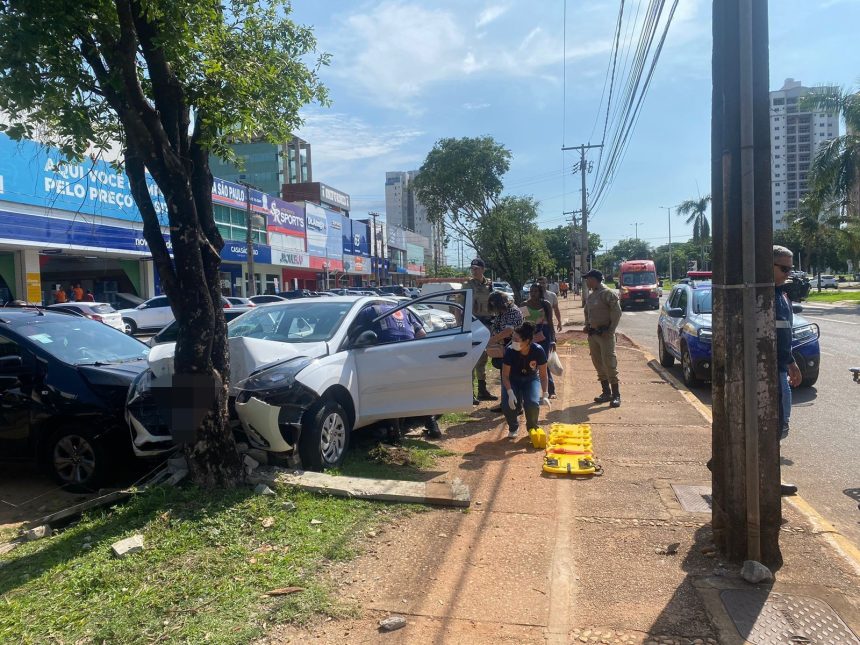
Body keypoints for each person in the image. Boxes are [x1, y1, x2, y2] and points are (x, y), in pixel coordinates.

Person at [354, 301, 443, 439]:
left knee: (391, 393)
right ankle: (432, 425)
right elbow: (422, 334)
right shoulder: (404, 310)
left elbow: (356, 336)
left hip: (386, 355)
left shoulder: (369, 311)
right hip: (410, 355)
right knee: (418, 390)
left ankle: (395, 432)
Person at [774, 245, 801, 496]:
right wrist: (790, 362)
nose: (788, 273)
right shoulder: (764, 296)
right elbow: (776, 336)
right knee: (777, 423)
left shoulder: (781, 293)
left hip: (781, 366)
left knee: (779, 423)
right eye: (784, 268)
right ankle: (770, 478)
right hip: (773, 368)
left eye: (790, 268)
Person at [501, 321, 550, 439]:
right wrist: (510, 392)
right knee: (507, 404)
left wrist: (545, 394)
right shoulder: (510, 350)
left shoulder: (538, 350)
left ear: (527, 341)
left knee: (532, 403)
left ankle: (532, 427)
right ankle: (513, 427)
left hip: (531, 379)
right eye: (512, 338)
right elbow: (505, 376)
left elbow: (543, 375)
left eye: (517, 340)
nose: (513, 342)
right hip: (513, 379)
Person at [583, 269, 622, 407]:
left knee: (609, 363)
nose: (586, 282)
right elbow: (587, 312)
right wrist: (587, 325)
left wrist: (610, 330)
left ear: (594, 279)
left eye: (588, 279)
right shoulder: (592, 295)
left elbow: (617, 312)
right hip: (593, 335)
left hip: (605, 335)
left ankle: (616, 395)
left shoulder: (607, 293)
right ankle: (606, 392)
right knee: (598, 363)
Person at [466, 258, 498, 404]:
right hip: (473, 324)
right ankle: (469, 393)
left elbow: (494, 304)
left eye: (477, 268)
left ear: (483, 269)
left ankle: (482, 390)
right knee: (471, 358)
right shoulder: (467, 285)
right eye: (472, 268)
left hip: (487, 324)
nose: (474, 270)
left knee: (483, 358)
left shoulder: (489, 284)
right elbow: (459, 307)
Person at [487, 291, 525, 413]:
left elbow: (508, 331)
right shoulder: (503, 312)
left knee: (513, 378)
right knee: (505, 377)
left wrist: (492, 340)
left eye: (495, 305)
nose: (494, 309)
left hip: (514, 349)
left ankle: (517, 406)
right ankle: (506, 403)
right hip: (505, 348)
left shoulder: (513, 311)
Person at [522, 283, 557, 397]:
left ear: (540, 292)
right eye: (531, 291)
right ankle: (529, 390)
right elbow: (522, 322)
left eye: (535, 291)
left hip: (544, 334)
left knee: (543, 362)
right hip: (529, 335)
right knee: (528, 362)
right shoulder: (524, 304)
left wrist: (553, 339)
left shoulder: (545, 304)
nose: (533, 293)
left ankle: (550, 391)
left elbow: (550, 322)